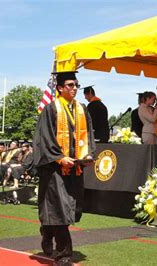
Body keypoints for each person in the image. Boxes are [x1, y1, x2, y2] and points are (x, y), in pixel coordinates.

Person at [33, 70, 95, 265]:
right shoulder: (51, 109)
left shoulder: (82, 109)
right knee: (60, 209)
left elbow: (88, 136)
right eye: (70, 85)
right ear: (60, 88)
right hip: (54, 169)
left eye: (76, 84)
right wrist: (59, 158)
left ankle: (47, 229)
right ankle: (64, 254)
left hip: (75, 167)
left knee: (70, 209)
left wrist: (88, 154)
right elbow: (44, 139)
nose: (75, 88)